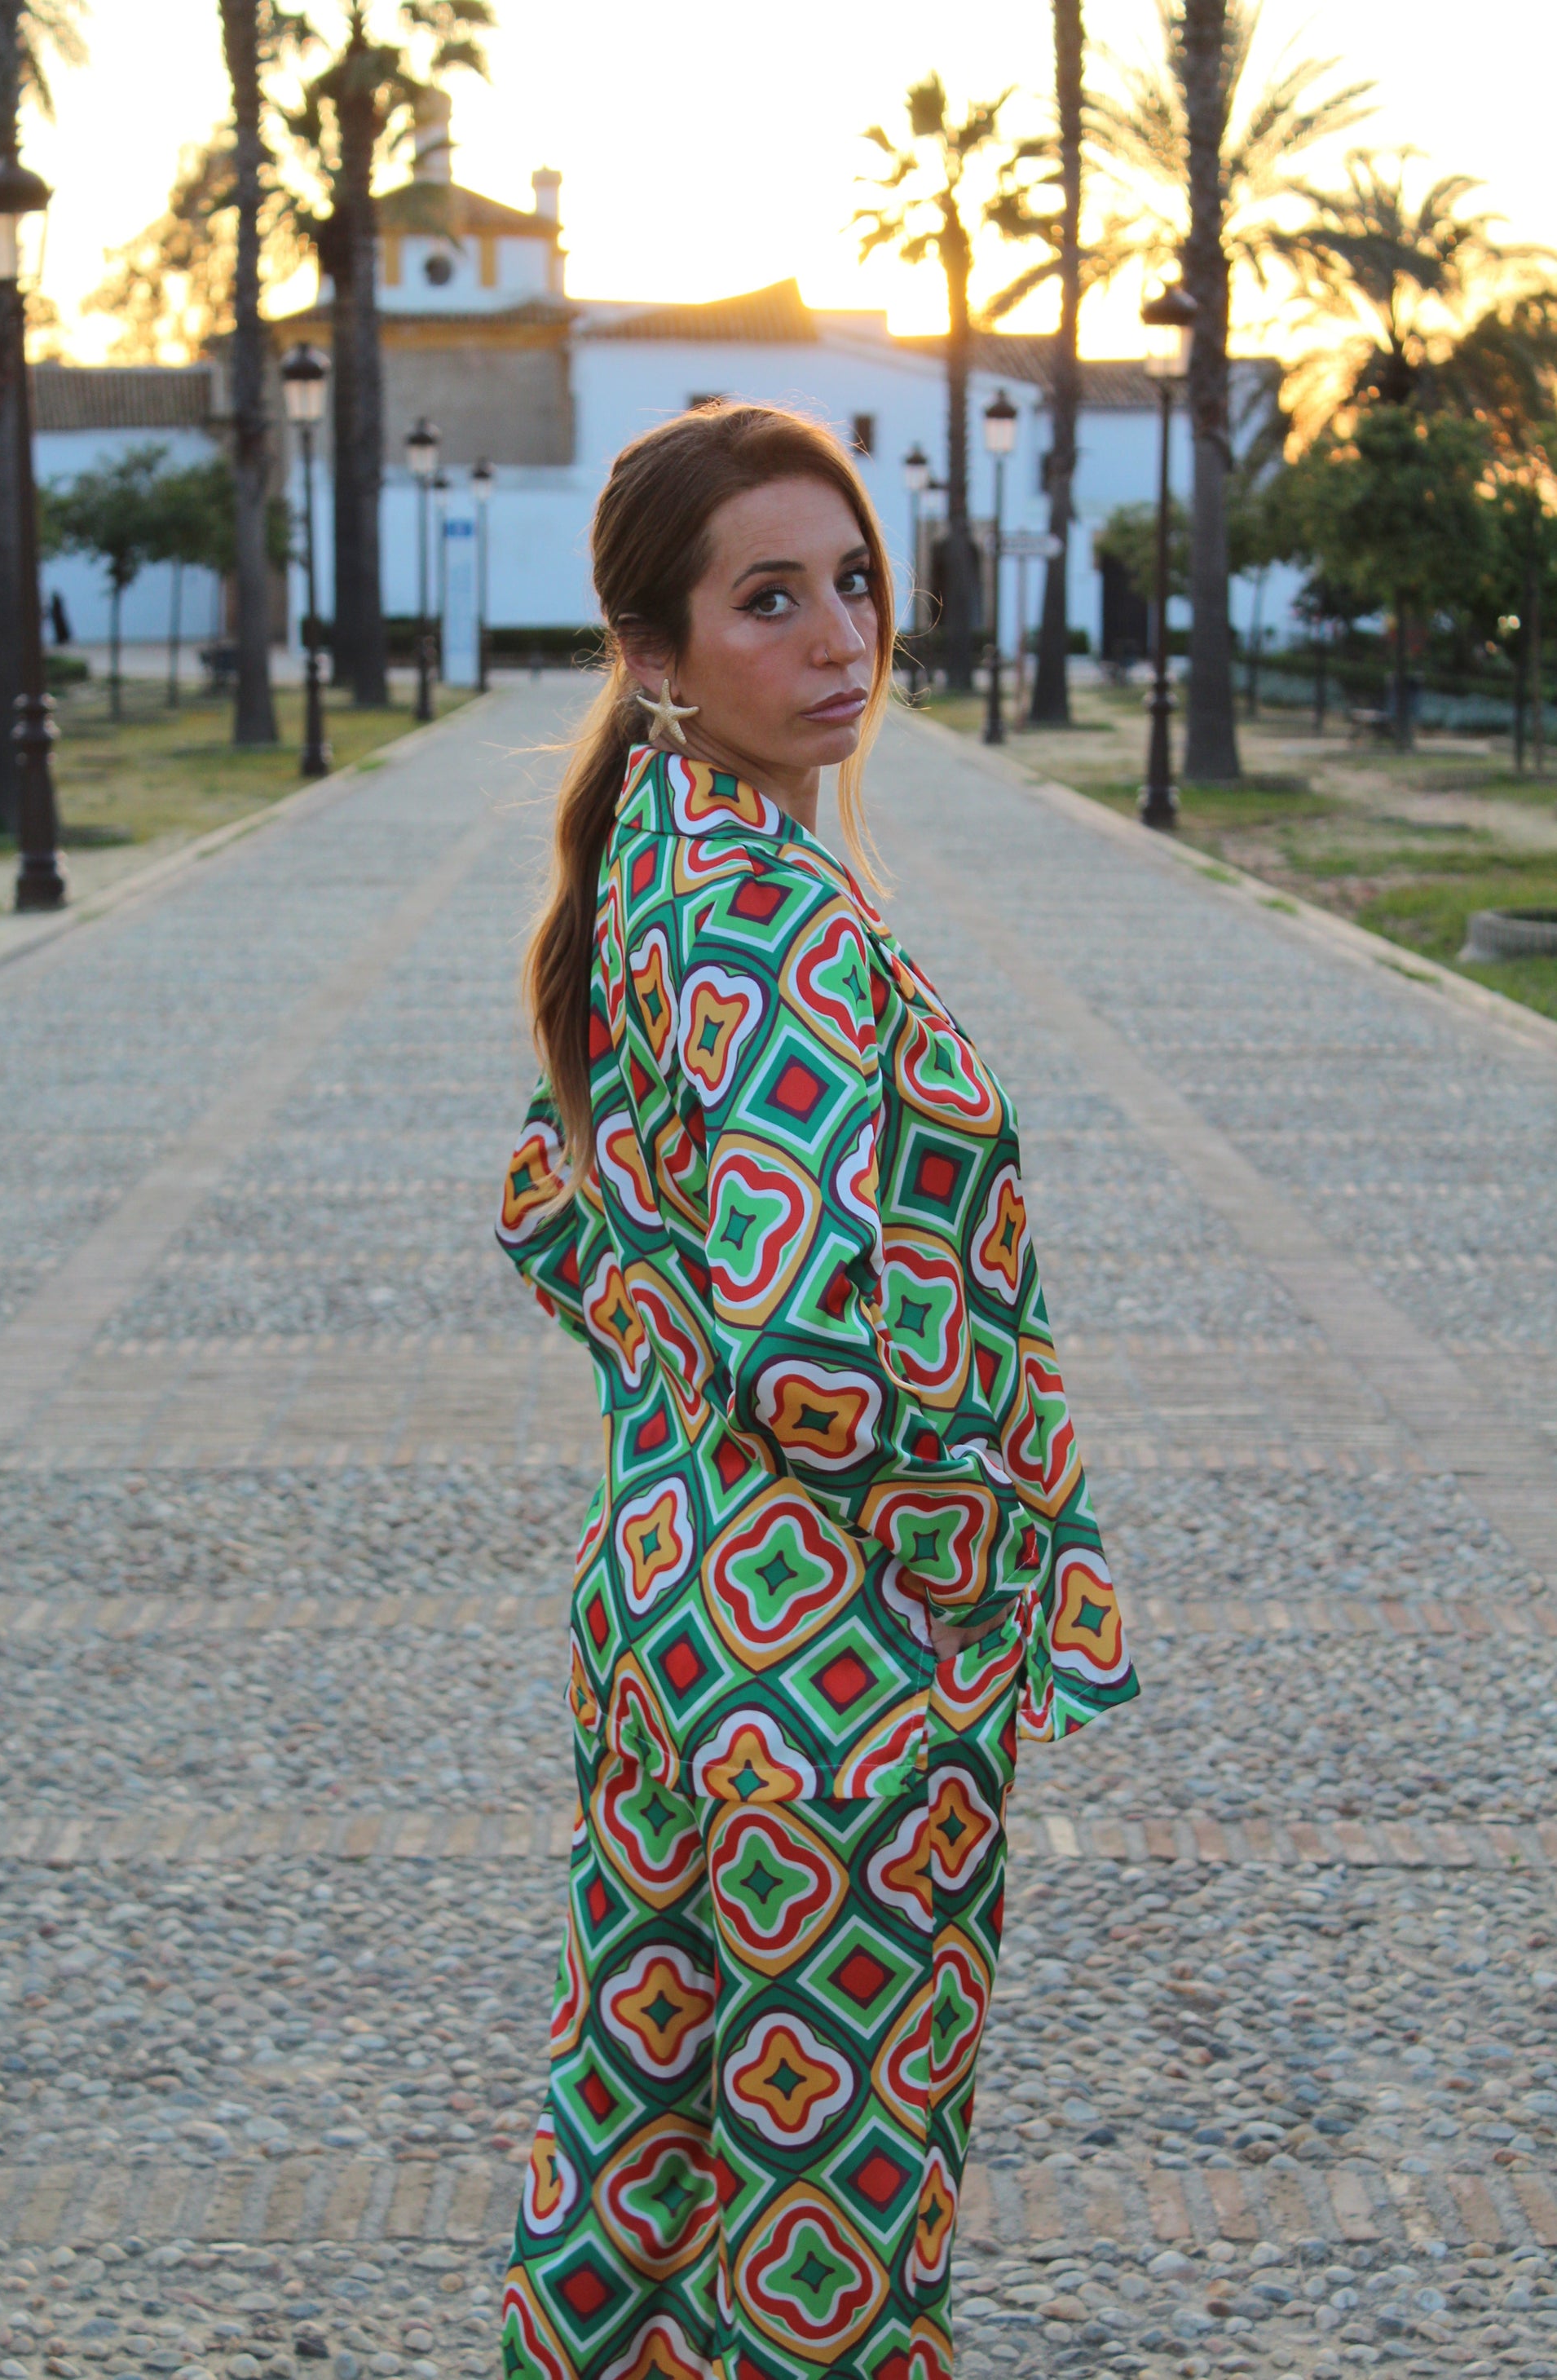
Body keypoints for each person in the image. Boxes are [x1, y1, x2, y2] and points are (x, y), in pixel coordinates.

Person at [496, 402, 1138, 2380]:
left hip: (670, 1612)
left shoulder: (659, 860)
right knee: (831, 2209)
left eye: (853, 580)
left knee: (644, 2133)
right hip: (836, 1679)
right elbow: (805, 1352)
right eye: (768, 598)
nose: (841, 634)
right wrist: (995, 1555)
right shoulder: (770, 914)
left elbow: (551, 1209)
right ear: (657, 651)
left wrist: (680, 1424)